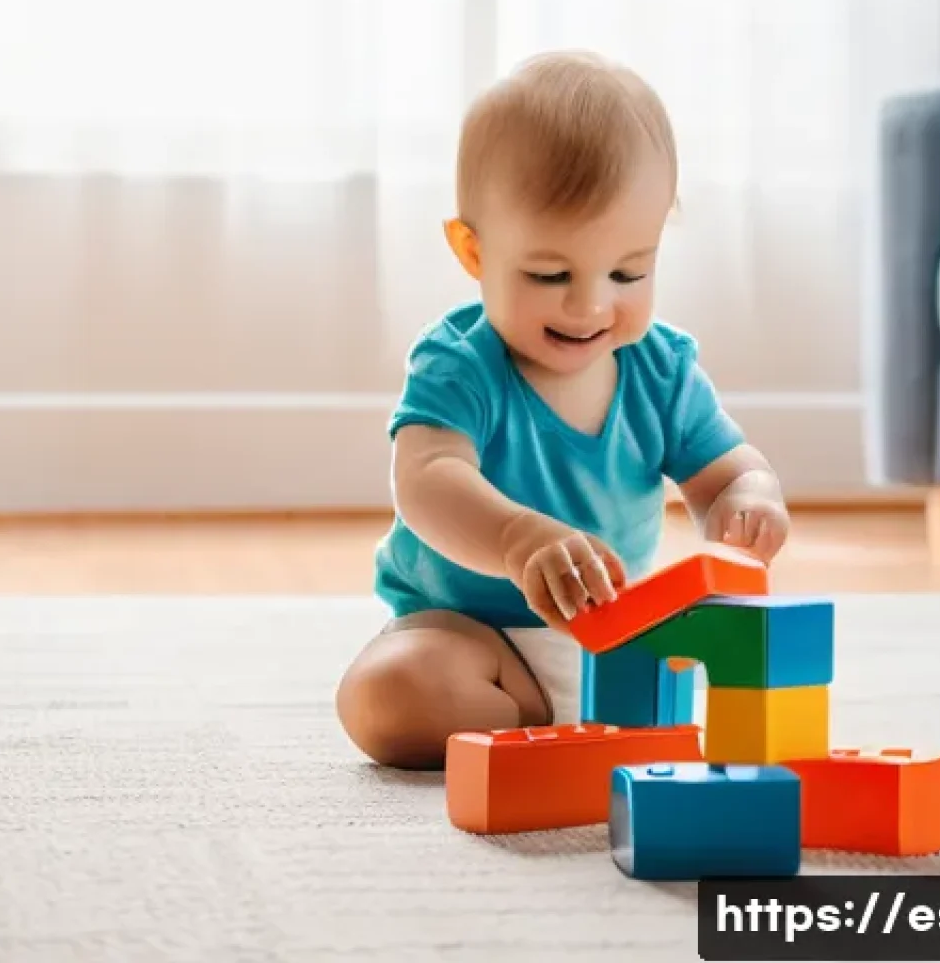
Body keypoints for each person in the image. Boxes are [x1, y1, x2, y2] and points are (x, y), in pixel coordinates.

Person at [336, 50, 790, 769]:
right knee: (389, 693)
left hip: (616, 640)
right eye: (550, 274)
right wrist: (517, 540)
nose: (590, 305)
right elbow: (426, 480)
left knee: (745, 670)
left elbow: (726, 472)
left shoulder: (660, 371)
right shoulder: (460, 364)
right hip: (474, 640)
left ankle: (599, 726)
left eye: (628, 271)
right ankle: (537, 730)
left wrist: (750, 499)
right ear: (473, 251)